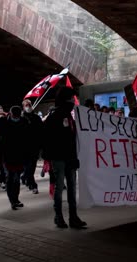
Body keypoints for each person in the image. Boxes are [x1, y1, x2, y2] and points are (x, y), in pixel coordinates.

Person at [42, 87, 87, 229]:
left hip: (69, 157)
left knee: (72, 188)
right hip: (59, 158)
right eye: (71, 99)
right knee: (60, 187)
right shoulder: (54, 117)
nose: (73, 102)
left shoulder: (69, 117)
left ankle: (73, 217)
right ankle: (59, 216)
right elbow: (48, 139)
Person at [0, 106, 29, 210]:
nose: (16, 118)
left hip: (20, 155)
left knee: (17, 179)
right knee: (10, 178)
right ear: (10, 114)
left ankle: (16, 199)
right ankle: (12, 201)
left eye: (17, 116)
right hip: (7, 155)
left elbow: (28, 137)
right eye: (14, 116)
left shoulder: (24, 121)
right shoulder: (3, 122)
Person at [21, 99, 44, 194]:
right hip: (24, 146)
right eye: (26, 105)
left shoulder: (36, 117)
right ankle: (32, 184)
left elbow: (41, 130)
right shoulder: (21, 118)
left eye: (29, 105)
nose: (28, 107)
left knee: (32, 166)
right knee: (27, 166)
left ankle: (25, 177)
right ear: (23, 107)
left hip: (35, 146)